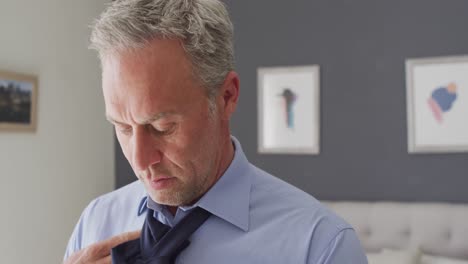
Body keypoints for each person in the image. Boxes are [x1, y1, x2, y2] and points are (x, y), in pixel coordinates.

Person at [64, 0, 368, 263]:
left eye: (162, 127)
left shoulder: (321, 248)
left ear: (226, 97)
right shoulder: (96, 222)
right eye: (123, 127)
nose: (141, 161)